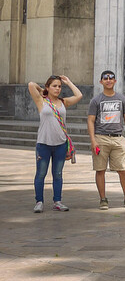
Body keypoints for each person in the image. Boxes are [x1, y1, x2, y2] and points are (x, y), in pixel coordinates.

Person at [27, 75, 83, 212]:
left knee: (57, 174)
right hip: (44, 143)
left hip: (60, 144)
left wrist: (68, 82)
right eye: (54, 86)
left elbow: (79, 95)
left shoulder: (63, 102)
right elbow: (30, 84)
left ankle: (57, 201)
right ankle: (39, 201)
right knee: (41, 173)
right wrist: (43, 91)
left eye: (59, 86)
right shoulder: (41, 101)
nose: (57, 88)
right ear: (48, 87)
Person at [87, 70, 125, 210]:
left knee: (123, 169)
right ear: (101, 81)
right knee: (100, 169)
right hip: (101, 138)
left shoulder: (122, 99)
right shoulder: (96, 101)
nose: (108, 80)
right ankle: (103, 199)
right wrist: (93, 140)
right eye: (105, 78)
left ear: (115, 81)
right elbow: (90, 121)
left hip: (118, 138)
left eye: (111, 78)